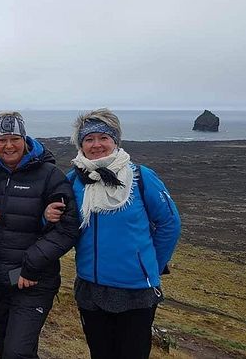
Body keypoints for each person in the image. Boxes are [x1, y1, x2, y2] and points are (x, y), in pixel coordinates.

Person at [66, 108, 181, 359]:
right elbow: (59, 221)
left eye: (103, 138)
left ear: (115, 140)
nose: (96, 145)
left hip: (136, 290)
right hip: (90, 287)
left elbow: (170, 224)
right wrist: (47, 215)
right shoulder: (74, 180)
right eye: (89, 139)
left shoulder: (141, 177)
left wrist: (150, 265)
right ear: (81, 145)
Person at [0, 112, 80, 359]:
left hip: (33, 280)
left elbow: (68, 227)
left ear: (24, 139)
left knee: (16, 352)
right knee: (6, 348)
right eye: (1, 140)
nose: (8, 146)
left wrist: (31, 266)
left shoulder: (49, 175)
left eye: (14, 138)